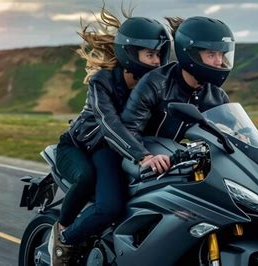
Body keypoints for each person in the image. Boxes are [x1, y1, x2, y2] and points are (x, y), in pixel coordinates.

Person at [48, 7, 171, 266]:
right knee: (102, 197)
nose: (157, 62)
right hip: (80, 146)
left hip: (113, 150)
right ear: (129, 52)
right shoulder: (102, 82)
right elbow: (109, 123)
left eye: (159, 55)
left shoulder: (155, 88)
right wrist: (143, 155)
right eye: (150, 54)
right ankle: (64, 234)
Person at [112, 16, 235, 173]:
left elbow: (231, 134)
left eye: (222, 54)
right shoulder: (155, 83)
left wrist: (240, 138)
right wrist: (146, 156)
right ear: (190, 54)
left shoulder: (217, 96)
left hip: (182, 164)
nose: (219, 61)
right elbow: (128, 129)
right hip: (142, 161)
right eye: (211, 54)